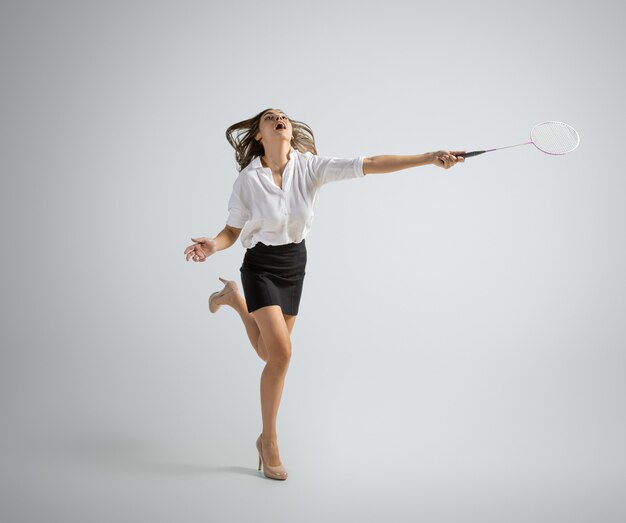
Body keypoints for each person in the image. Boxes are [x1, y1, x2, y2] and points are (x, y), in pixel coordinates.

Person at [183, 107, 464, 480]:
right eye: (269, 118)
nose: (279, 119)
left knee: (269, 352)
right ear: (258, 135)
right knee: (281, 354)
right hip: (261, 266)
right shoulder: (248, 180)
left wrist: (429, 158)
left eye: (283, 116)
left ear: (290, 130)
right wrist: (212, 247)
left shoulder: (311, 167)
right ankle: (269, 442)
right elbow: (232, 232)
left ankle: (235, 301)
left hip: (294, 265)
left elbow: (371, 163)